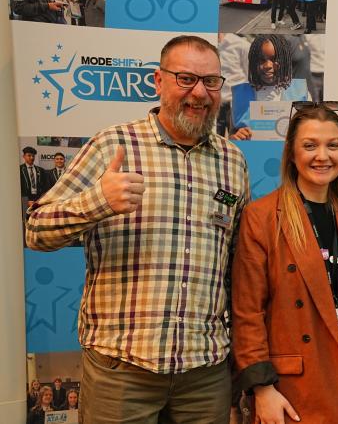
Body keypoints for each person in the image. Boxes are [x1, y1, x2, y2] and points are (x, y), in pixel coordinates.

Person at [26, 35, 249, 424]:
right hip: (122, 370)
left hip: (204, 373)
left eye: (211, 81)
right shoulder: (112, 145)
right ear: (158, 81)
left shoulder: (232, 161)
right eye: (185, 79)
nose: (199, 92)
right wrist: (96, 202)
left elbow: (236, 264)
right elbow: (36, 231)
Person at [231, 102, 338, 423]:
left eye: (332, 145)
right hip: (289, 391)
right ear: (292, 154)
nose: (322, 156)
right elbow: (247, 311)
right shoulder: (263, 217)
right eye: (310, 145)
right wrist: (262, 389)